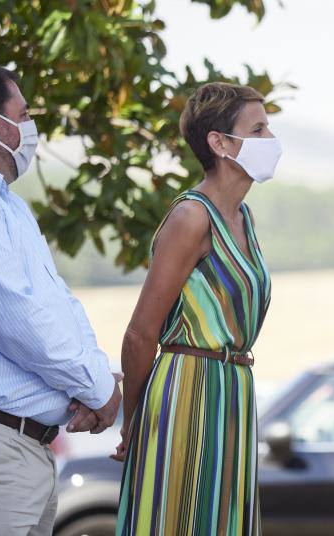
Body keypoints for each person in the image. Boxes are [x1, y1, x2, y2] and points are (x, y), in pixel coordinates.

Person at [114, 82, 279, 535]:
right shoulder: (192, 217)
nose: (271, 140)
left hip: (233, 393)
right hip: (187, 392)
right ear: (220, 143)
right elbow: (140, 334)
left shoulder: (243, 218)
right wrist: (134, 421)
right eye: (259, 129)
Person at [0, 59, 121, 536]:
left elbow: (59, 306)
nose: (32, 128)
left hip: (28, 449)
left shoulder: (8, 205)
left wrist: (93, 377)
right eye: (25, 114)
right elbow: (15, 317)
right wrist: (98, 391)